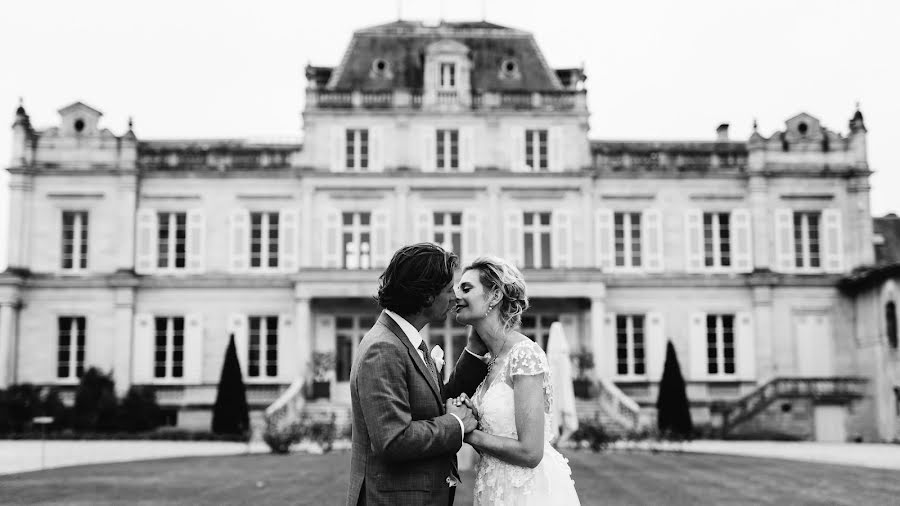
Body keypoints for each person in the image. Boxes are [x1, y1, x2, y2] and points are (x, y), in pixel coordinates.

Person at [347, 243, 490, 506]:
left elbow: (431, 404)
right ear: (426, 296)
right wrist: (456, 424)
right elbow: (393, 440)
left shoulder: (403, 341)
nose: (455, 298)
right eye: (448, 290)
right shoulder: (383, 348)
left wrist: (473, 352)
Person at [451, 256, 581, 505]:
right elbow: (497, 440)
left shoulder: (525, 355)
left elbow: (530, 452)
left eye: (466, 288)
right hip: (493, 489)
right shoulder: (488, 361)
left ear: (495, 295)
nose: (456, 295)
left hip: (529, 492)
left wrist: (467, 432)